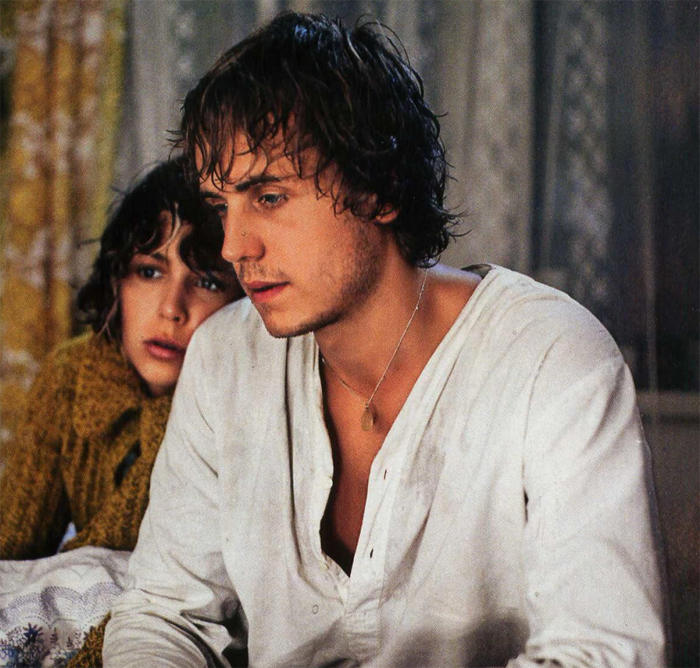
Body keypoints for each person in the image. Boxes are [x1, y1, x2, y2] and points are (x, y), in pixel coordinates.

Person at [103, 13, 667, 668]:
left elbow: (605, 654)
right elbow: (163, 613)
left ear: (381, 189)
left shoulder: (553, 359)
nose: (233, 247)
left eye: (270, 197)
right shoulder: (225, 357)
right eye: (221, 206)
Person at [0, 158, 243, 664]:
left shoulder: (243, 400)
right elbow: (13, 549)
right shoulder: (72, 374)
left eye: (206, 281)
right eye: (149, 271)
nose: (171, 308)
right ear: (117, 281)